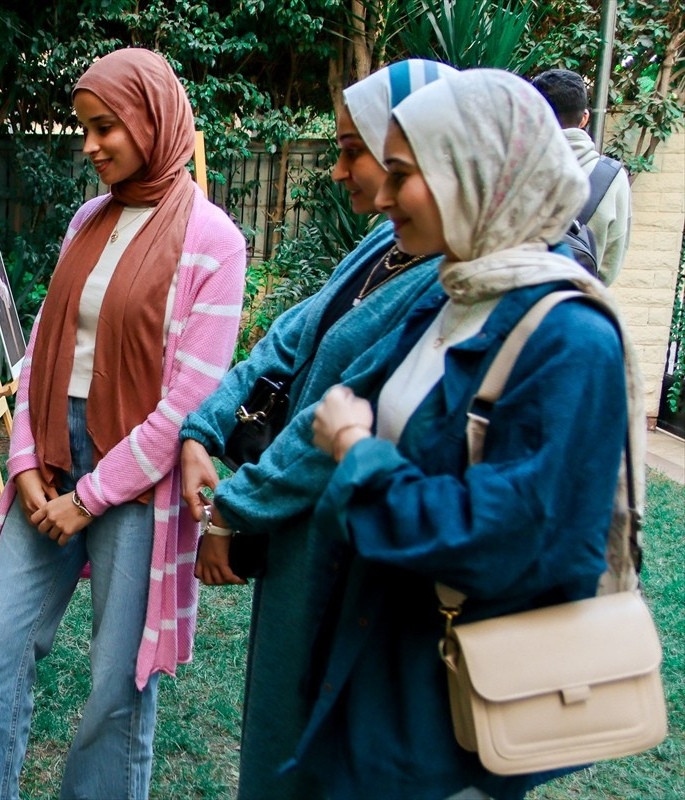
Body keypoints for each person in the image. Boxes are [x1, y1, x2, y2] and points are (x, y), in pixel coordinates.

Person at [297, 68, 643, 799]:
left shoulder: (570, 341)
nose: (381, 197)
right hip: (374, 677)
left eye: (401, 174)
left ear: (476, 170)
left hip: (446, 718)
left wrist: (357, 455)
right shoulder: (455, 296)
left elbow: (505, 540)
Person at [0, 48, 247, 799]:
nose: (88, 145)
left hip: (139, 479)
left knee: (118, 685)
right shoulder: (88, 220)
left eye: (104, 127)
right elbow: (43, 351)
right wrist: (25, 459)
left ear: (151, 122)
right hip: (55, 451)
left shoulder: (214, 242)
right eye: (83, 126)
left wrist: (89, 498)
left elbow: (188, 402)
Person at [178, 59, 456, 799]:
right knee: (279, 719)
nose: (338, 171)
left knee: (312, 739)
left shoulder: (447, 282)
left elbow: (329, 421)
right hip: (301, 538)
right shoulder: (384, 244)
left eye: (354, 151)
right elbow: (292, 337)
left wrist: (232, 508)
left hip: (343, 549)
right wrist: (203, 428)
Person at [531, 68, 632, 285]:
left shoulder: (508, 168)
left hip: (508, 300)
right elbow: (610, 264)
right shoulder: (612, 177)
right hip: (576, 298)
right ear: (584, 117)